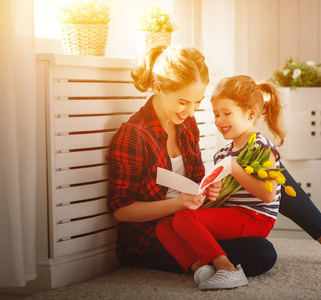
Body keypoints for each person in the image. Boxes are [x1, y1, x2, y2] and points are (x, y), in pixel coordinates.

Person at [107, 45, 277, 278]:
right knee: (260, 254)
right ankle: (207, 265)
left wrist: (208, 189)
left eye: (196, 102)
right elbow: (122, 211)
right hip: (152, 234)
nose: (189, 111)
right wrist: (179, 205)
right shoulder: (134, 134)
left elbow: (197, 180)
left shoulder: (187, 125)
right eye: (182, 102)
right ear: (158, 88)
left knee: (261, 248)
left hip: (187, 222)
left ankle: (206, 264)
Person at [155, 75, 286, 290]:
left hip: (255, 218)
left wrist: (235, 168)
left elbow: (268, 195)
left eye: (227, 113)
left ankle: (228, 269)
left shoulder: (262, 148)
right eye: (216, 114)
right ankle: (201, 268)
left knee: (184, 217)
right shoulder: (223, 154)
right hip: (234, 215)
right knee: (165, 225)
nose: (219, 121)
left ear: (251, 113)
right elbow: (226, 197)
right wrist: (212, 192)